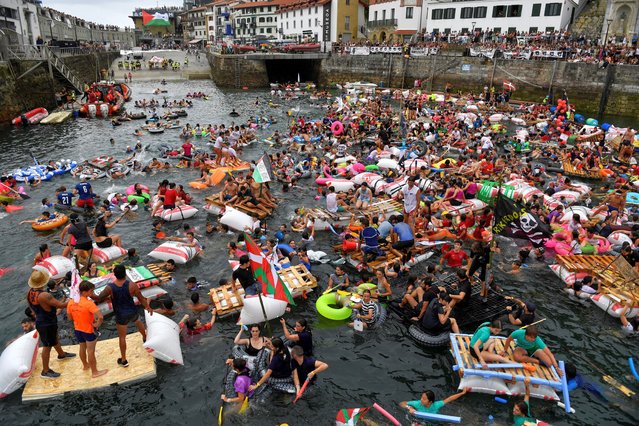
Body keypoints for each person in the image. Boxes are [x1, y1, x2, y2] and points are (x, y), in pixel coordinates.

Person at [91, 265, 152, 368]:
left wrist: (88, 294)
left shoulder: (110, 287)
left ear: (114, 275)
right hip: (132, 311)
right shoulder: (132, 285)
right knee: (138, 322)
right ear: (125, 274)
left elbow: (98, 298)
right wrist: (148, 307)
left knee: (122, 337)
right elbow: (141, 298)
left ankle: (123, 360)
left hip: (121, 315)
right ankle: (145, 338)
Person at [26, 270, 75, 378]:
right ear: (43, 282)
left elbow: (31, 307)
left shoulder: (29, 292)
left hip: (41, 321)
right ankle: (45, 370)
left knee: (54, 338)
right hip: (47, 323)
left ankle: (61, 354)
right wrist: (72, 300)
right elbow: (61, 305)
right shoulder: (44, 295)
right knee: (47, 346)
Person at [66, 281, 108, 378]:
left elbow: (69, 318)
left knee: (82, 347)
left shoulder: (71, 302)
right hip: (88, 330)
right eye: (91, 291)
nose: (92, 293)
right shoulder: (89, 303)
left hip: (77, 329)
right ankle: (95, 372)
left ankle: (85, 366)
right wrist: (97, 324)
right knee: (90, 351)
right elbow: (100, 317)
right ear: (86, 292)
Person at [399, 388, 468, 416]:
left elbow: (449, 399)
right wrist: (409, 408)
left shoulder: (436, 405)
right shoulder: (418, 403)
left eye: (424, 399)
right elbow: (402, 403)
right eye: (422, 397)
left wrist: (462, 393)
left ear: (430, 402)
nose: (421, 400)